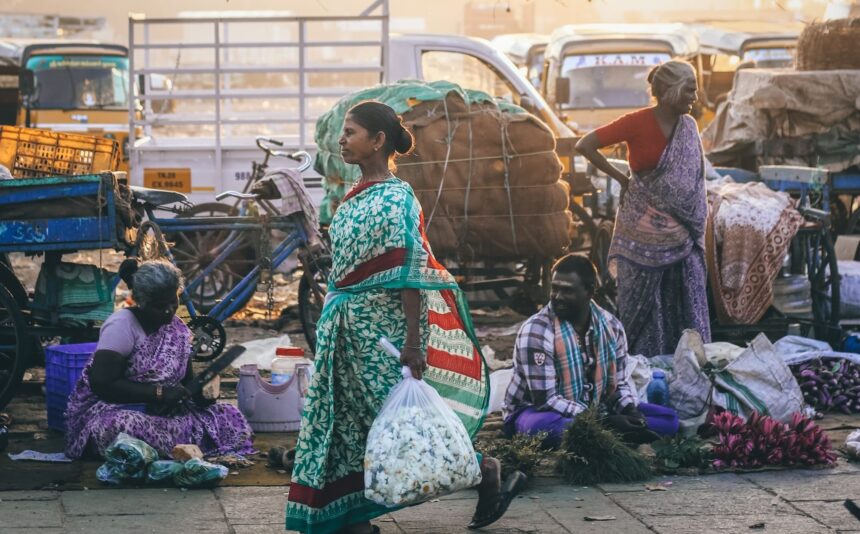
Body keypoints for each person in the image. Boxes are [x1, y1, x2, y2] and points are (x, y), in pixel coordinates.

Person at [285, 101, 525, 534]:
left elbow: (410, 274)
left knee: (402, 422)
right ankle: (351, 519)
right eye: (343, 132)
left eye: (352, 132)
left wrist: (413, 343)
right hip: (346, 331)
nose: (342, 139)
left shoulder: (397, 198)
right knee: (344, 422)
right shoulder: (351, 196)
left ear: (378, 141)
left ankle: (483, 469)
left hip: (386, 335)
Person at [575, 60, 711, 357]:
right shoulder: (636, 122)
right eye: (689, 90)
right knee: (646, 304)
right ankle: (645, 365)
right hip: (641, 230)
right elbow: (585, 145)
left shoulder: (688, 127)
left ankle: (689, 364)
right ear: (669, 90)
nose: (694, 97)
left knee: (683, 296)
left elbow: (693, 183)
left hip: (683, 233)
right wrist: (621, 178)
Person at [64, 260, 254, 459]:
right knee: (121, 427)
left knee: (229, 415)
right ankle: (172, 448)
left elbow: (186, 379)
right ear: (141, 302)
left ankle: (168, 450)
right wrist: (159, 393)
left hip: (166, 413)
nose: (169, 310)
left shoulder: (178, 329)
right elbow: (102, 383)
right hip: (116, 410)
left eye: (173, 302)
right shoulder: (121, 326)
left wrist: (200, 395)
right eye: (160, 306)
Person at [503, 254, 678, 448]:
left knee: (669, 420)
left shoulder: (612, 326)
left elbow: (617, 385)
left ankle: (604, 434)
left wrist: (629, 410)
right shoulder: (536, 330)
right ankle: (610, 432)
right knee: (545, 428)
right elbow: (546, 400)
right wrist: (603, 421)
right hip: (535, 412)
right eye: (555, 288)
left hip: (593, 409)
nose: (557, 297)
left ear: (590, 291)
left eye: (567, 290)